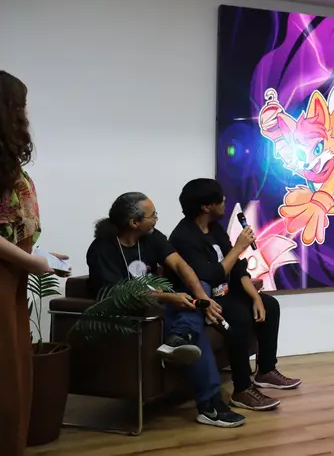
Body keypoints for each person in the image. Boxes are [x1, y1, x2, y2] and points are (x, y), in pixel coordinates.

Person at [85, 192, 246, 428]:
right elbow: (119, 296)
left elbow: (180, 265)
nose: (156, 219)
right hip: (133, 313)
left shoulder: (152, 237)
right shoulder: (103, 249)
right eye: (152, 215)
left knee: (199, 291)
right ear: (134, 222)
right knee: (194, 331)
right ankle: (209, 404)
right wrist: (169, 297)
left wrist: (203, 299)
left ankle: (180, 337)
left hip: (159, 306)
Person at [169, 178, 301, 413]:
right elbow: (210, 275)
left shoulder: (215, 229)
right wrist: (240, 246)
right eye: (220, 199)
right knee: (239, 316)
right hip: (207, 299)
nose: (225, 201)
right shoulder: (183, 237)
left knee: (270, 305)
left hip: (227, 292)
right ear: (206, 206)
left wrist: (256, 297)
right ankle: (242, 389)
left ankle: (266, 371)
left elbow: (237, 268)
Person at [0, 71, 61, 455]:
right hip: (4, 278)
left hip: (13, 275)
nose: (25, 115)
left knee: (14, 375)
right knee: (6, 378)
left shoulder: (6, 163)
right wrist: (30, 260)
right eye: (20, 106)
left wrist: (36, 259)